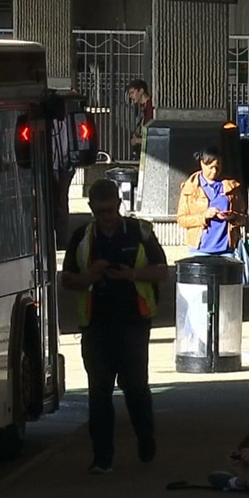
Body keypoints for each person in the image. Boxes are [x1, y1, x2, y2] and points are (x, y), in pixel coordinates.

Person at [61, 178, 170, 474]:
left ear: (119, 206)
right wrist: (90, 277)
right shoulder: (83, 237)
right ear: (92, 209)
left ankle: (146, 438)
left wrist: (132, 274)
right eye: (100, 212)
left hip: (133, 321)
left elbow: (162, 270)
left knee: (135, 387)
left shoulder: (139, 232)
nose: (106, 217)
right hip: (95, 324)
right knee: (98, 392)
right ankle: (102, 458)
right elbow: (68, 279)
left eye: (110, 210)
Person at [176, 146, 248, 256]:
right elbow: (182, 219)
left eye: (218, 167)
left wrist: (232, 217)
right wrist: (204, 216)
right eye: (211, 167)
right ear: (201, 163)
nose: (214, 171)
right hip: (199, 249)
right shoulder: (189, 188)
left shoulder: (231, 186)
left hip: (227, 249)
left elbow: (244, 217)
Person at [126, 79, 154, 158]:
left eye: (132, 92)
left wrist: (138, 140)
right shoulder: (145, 107)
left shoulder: (151, 107)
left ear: (141, 91)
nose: (131, 96)